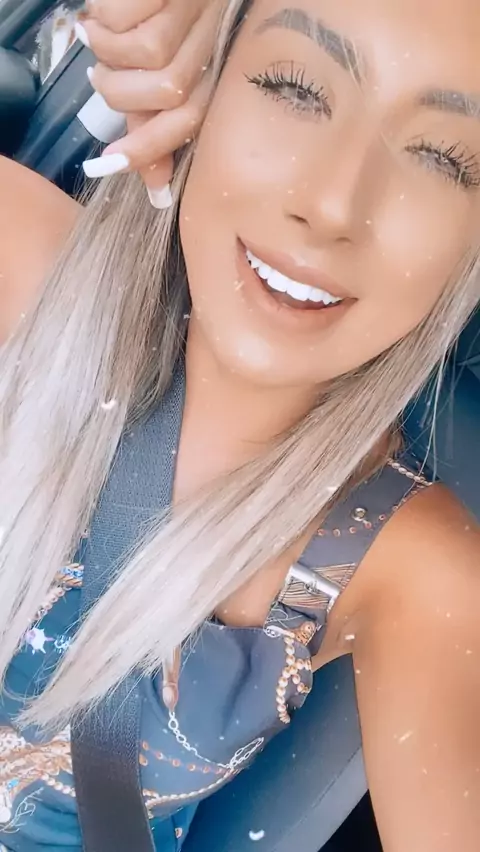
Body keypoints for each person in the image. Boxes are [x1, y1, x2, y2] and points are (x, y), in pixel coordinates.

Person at [0, 0, 479, 850]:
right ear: (201, 86)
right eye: (295, 88)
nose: (333, 204)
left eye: (443, 158)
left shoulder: (414, 567)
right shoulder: (18, 256)